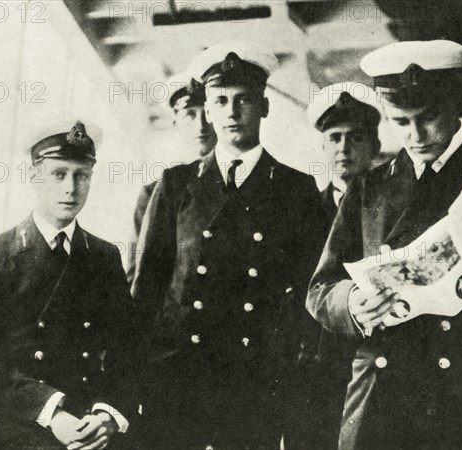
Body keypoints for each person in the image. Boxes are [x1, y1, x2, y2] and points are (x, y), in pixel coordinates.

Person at [307, 40, 462, 449]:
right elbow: (320, 288)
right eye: (400, 121)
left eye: (428, 118)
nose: (415, 135)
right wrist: (352, 303)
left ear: (454, 103)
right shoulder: (366, 189)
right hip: (385, 393)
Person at [131, 41, 328, 449]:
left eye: (244, 100)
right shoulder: (175, 185)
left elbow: (312, 294)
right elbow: (146, 290)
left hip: (253, 384)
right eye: (220, 101)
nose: (232, 111)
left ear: (264, 106)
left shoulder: (296, 190)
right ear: (209, 108)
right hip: (177, 380)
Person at [0, 121, 141, 449]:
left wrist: (107, 415)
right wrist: (52, 411)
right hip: (19, 424)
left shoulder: (103, 257)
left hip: (91, 427)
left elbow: (127, 351)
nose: (70, 188)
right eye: (59, 174)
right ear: (34, 176)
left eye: (81, 176)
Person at [126, 72, 216, 282]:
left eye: (208, 113)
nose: (201, 125)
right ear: (176, 123)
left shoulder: (244, 181)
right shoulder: (155, 192)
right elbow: (137, 272)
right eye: (189, 115)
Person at [308, 82, 381, 225]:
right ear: (324, 147)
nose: (343, 147)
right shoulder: (309, 210)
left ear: (375, 148)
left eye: (356, 138)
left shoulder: (393, 202)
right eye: (335, 138)